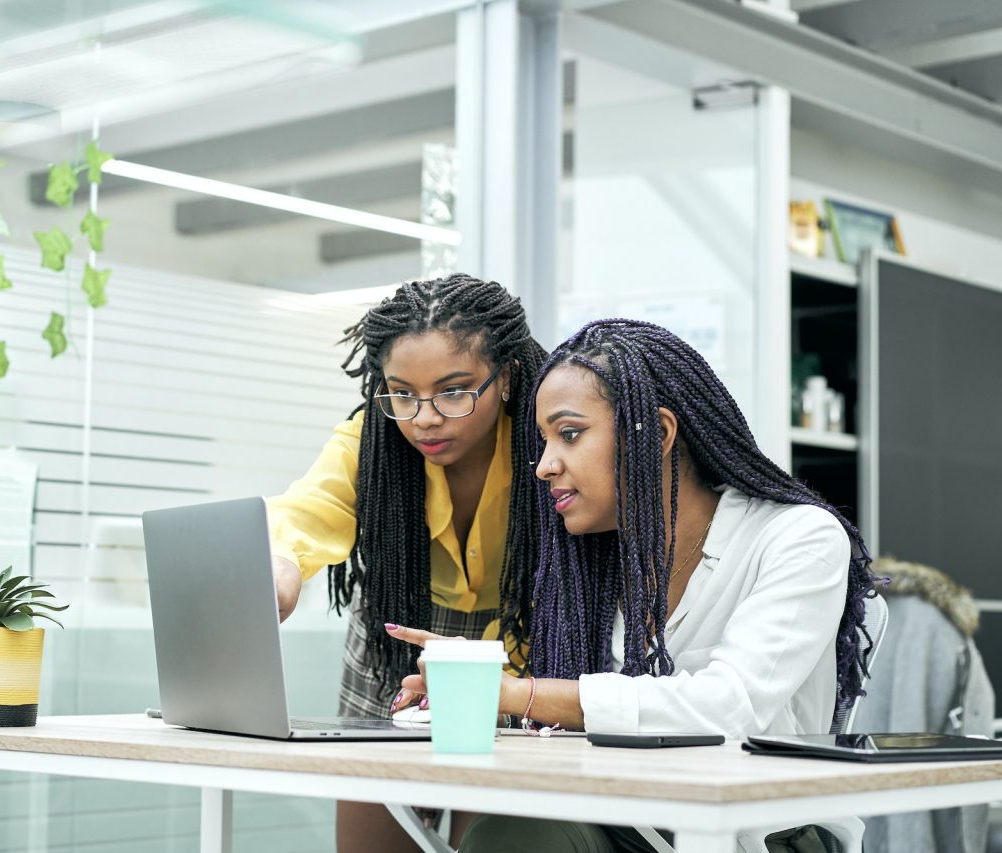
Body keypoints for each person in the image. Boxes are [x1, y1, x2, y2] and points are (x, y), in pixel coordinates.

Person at [390, 318, 877, 853]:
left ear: (659, 433)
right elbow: (590, 714)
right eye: (543, 441)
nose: (545, 466)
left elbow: (729, 706)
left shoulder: (797, 537)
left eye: (569, 434)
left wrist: (520, 693)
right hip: (629, 813)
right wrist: (485, 702)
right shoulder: (593, 561)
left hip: (755, 831)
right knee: (509, 832)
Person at [268, 273, 548, 853]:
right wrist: (279, 564)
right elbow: (307, 506)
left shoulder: (547, 442)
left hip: (520, 642)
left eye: (454, 391)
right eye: (402, 393)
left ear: (509, 378)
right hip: (394, 634)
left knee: (490, 837)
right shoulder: (371, 439)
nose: (424, 417)